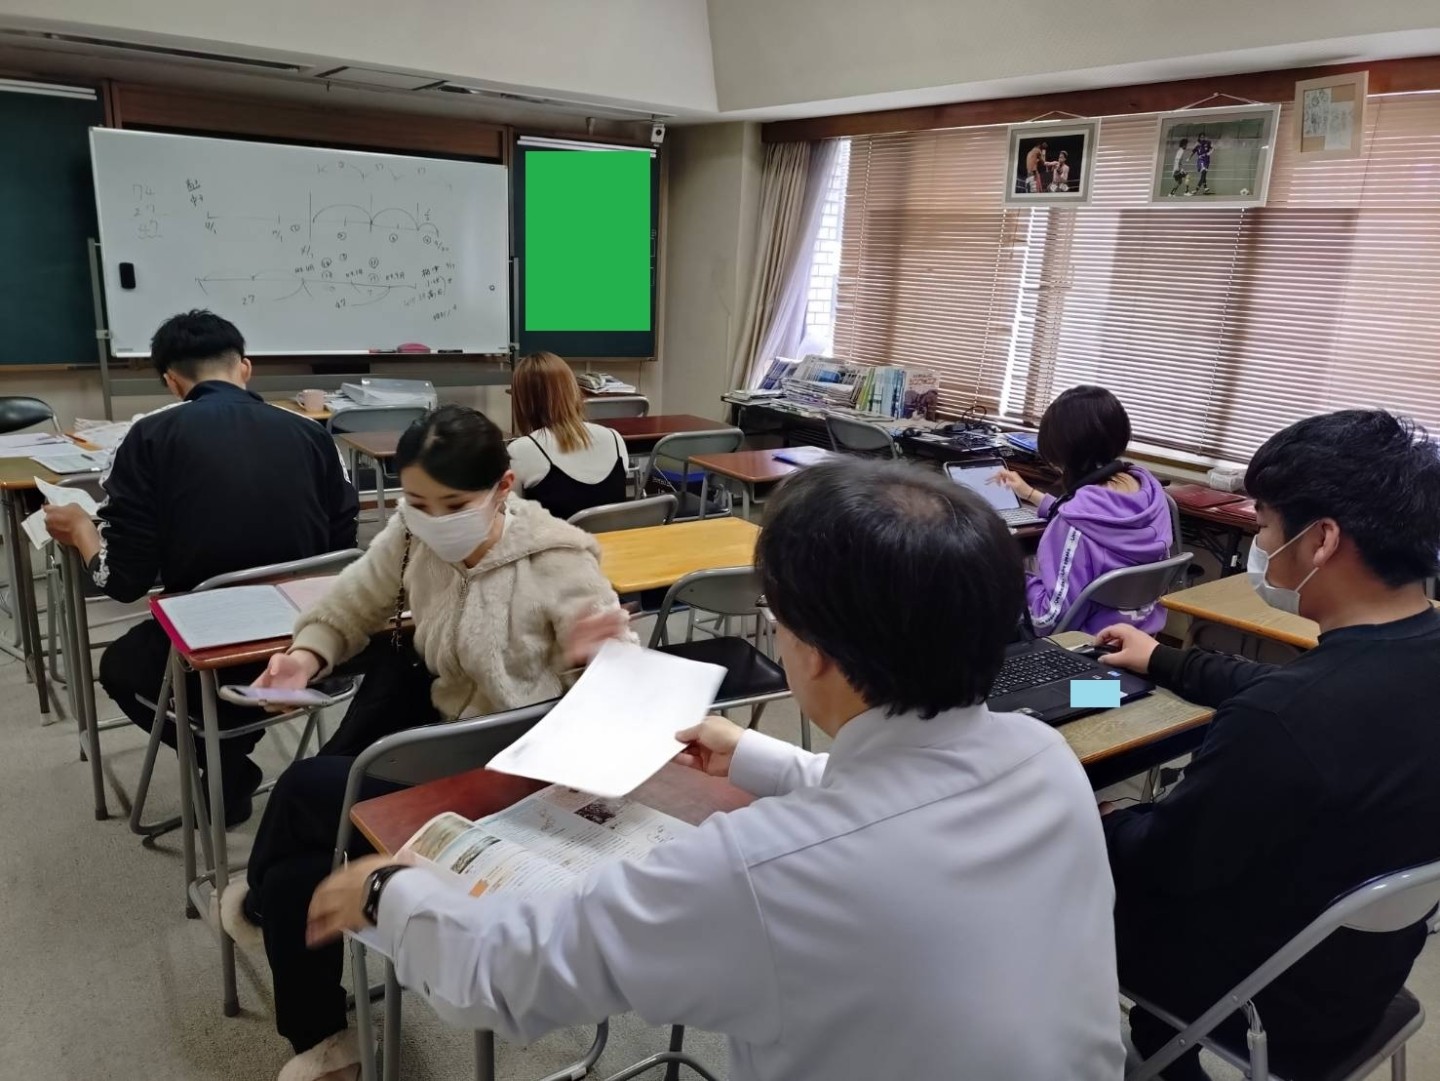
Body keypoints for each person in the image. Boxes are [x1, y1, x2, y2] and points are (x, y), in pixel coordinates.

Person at [307, 460, 1128, 1081]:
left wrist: (385, 890)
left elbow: (512, 974)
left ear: (817, 654)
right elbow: (892, 806)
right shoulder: (1041, 757)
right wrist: (753, 753)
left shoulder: (762, 866)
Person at [225, 403, 633, 1081]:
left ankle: (263, 907)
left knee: (302, 789)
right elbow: (352, 602)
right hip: (437, 758)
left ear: (505, 486)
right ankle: (325, 1035)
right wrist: (305, 657)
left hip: (516, 785)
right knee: (304, 869)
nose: (434, 517)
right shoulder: (412, 534)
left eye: (455, 502)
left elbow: (622, 692)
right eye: (417, 499)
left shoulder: (559, 560)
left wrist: (604, 657)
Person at [1096, 410, 1440, 1080]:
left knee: (1071, 874)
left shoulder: (1282, 721)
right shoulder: (1396, 660)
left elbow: (1159, 862)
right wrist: (1161, 659)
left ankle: (1145, 1053)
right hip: (1360, 974)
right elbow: (1289, 688)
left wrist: (1097, 818)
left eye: (1263, 527)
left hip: (1269, 1001)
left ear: (1321, 540)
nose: (1260, 543)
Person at [42, 310, 358, 824]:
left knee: (120, 666)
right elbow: (342, 549)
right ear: (246, 368)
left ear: (171, 381)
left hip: (211, 651)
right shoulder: (311, 434)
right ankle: (234, 748)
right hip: (312, 646)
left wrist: (81, 530)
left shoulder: (148, 439)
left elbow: (124, 581)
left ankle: (227, 763)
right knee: (199, 655)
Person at [993, 385, 1172, 635]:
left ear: (1061, 451)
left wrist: (1015, 579)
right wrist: (1031, 495)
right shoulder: (1152, 495)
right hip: (1140, 654)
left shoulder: (1071, 526)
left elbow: (1048, 619)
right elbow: (1096, 513)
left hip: (1085, 662)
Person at [507, 351, 628, 521]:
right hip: (616, 546)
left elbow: (511, 516)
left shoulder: (521, 450)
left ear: (523, 401)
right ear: (572, 389)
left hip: (558, 547)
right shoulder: (614, 439)